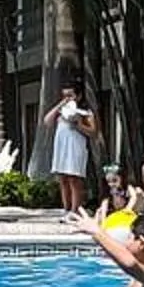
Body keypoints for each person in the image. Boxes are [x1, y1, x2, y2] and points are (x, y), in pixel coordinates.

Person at [43, 82, 100, 215]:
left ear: (78, 96)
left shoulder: (85, 112)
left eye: (70, 95)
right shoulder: (62, 111)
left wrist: (79, 125)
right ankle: (66, 208)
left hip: (75, 146)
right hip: (62, 147)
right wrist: (61, 104)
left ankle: (75, 210)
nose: (68, 98)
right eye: (65, 96)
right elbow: (47, 121)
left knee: (74, 178)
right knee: (63, 178)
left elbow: (94, 132)